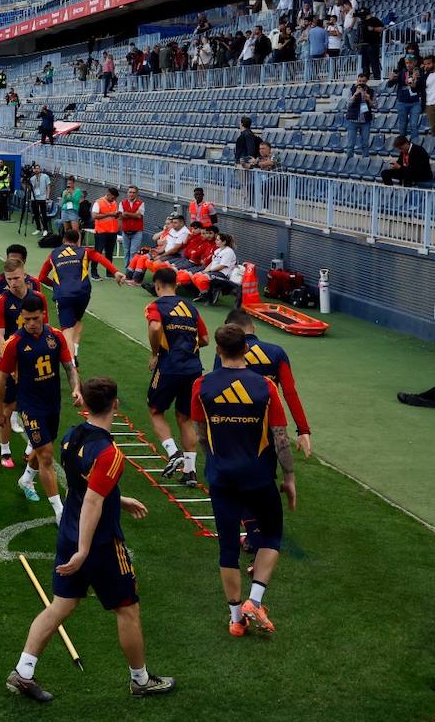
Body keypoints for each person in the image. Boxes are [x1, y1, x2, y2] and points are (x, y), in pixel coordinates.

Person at [6, 377, 174, 704]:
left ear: (84, 403)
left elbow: (80, 487)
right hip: (99, 545)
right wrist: (85, 550)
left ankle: (23, 672)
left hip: (68, 534)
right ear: (115, 405)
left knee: (61, 606)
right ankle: (140, 680)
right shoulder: (109, 453)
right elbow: (93, 502)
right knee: (127, 610)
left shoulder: (72, 436)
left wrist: (119, 500)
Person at [193, 324, 296, 637]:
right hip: (259, 476)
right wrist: (289, 476)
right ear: (247, 350)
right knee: (272, 535)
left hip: (221, 477)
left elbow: (200, 432)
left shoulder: (202, 385)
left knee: (227, 548)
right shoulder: (265, 387)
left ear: (219, 351)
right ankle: (255, 599)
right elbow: (280, 438)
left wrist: (214, 457)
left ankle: (236, 619)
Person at [0, 295, 81, 521]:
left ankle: (26, 478)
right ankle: (59, 511)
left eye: (35, 318)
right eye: (27, 319)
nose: (31, 323)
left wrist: (76, 389)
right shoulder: (14, 342)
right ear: (22, 318)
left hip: (52, 403)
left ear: (43, 314)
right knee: (46, 455)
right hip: (30, 406)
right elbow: (1, 378)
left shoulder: (56, 337)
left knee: (43, 448)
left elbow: (69, 368)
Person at [217, 308, 312, 459]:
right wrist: (303, 430)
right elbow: (290, 393)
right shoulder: (277, 352)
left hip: (232, 420)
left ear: (229, 329)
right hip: (266, 423)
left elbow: (218, 386)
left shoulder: (226, 352)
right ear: (253, 327)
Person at [144, 268, 209, 487]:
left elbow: (155, 326)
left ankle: (173, 454)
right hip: (193, 369)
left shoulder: (156, 306)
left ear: (157, 285)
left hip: (170, 366)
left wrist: (155, 353)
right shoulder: (190, 307)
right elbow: (206, 338)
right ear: (177, 285)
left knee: (155, 410)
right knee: (185, 418)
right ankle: (190, 472)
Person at [0, 257, 44, 468]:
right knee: (6, 406)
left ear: (25, 274)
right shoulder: (1, 302)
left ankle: (31, 446)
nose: (13, 282)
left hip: (33, 360)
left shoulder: (38, 297)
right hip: (9, 361)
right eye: (9, 279)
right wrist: (13, 365)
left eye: (17, 278)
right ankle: (5, 451)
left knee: (35, 405)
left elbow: (43, 328)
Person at [37, 227, 125, 360]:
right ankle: (75, 349)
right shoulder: (85, 251)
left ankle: (71, 361)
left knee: (67, 328)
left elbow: (41, 277)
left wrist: (55, 286)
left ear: (63, 240)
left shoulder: (53, 254)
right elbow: (101, 258)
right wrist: (116, 272)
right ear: (78, 241)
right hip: (83, 293)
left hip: (64, 294)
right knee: (77, 321)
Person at [90, 187, 120, 280]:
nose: (114, 200)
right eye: (113, 198)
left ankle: (109, 272)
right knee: (98, 252)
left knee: (109, 253)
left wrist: (117, 215)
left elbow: (114, 216)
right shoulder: (98, 202)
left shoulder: (114, 203)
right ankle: (94, 273)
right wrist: (110, 214)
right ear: (109, 194)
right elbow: (94, 216)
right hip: (101, 232)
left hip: (112, 231)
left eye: (115, 198)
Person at [119, 185, 144, 269]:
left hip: (137, 231)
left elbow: (139, 216)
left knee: (133, 252)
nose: (131, 194)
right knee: (126, 251)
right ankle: (127, 269)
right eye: (130, 192)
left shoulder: (141, 203)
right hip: (125, 230)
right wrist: (134, 214)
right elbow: (121, 216)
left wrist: (126, 213)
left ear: (136, 194)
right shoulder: (122, 202)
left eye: (134, 192)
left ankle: (131, 270)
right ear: (127, 193)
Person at [29, 165, 52, 235]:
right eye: (35, 169)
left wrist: (47, 197)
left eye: (37, 168)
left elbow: (48, 187)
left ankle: (45, 229)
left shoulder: (45, 176)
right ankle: (38, 228)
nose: (36, 170)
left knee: (43, 214)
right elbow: (30, 189)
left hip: (43, 198)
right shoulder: (32, 178)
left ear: (40, 169)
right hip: (34, 198)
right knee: (36, 214)